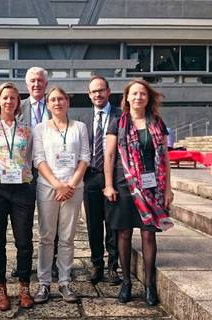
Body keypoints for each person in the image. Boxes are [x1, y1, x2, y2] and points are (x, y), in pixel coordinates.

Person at [103, 79, 174, 306]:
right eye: (134, 94)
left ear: (148, 98)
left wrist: (168, 189)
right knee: (123, 234)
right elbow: (110, 156)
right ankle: (126, 283)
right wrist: (108, 185)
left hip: (152, 187)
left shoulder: (157, 123)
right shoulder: (117, 122)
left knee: (148, 234)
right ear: (127, 98)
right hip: (123, 185)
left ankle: (149, 285)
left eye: (142, 94)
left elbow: (164, 158)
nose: (138, 97)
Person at [32, 87, 90, 304]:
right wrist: (57, 185)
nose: (57, 103)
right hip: (48, 186)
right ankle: (44, 283)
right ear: (47, 104)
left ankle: (65, 282)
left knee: (67, 237)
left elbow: (85, 156)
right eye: (53, 100)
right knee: (47, 236)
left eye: (61, 99)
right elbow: (39, 159)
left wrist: (70, 185)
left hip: (74, 187)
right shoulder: (40, 128)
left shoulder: (80, 127)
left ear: (68, 102)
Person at [0, 82, 35, 311]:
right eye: (5, 98)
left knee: (24, 241)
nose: (9, 102)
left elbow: (29, 158)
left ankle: (24, 286)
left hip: (22, 188)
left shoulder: (27, 130)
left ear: (18, 103)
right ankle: (0, 286)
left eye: (13, 98)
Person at [77, 75, 122, 285]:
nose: (97, 94)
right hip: (92, 176)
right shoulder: (83, 121)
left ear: (108, 91)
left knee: (113, 223)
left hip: (114, 176)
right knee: (94, 223)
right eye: (93, 91)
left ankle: (114, 265)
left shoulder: (121, 116)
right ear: (89, 95)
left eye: (101, 90)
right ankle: (97, 264)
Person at [13, 66, 57, 278]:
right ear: (26, 84)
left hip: (52, 172)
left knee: (51, 220)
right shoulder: (18, 108)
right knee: (23, 220)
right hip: (25, 173)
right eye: (33, 81)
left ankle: (52, 262)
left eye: (40, 80)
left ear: (46, 84)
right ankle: (24, 262)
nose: (37, 84)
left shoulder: (55, 106)